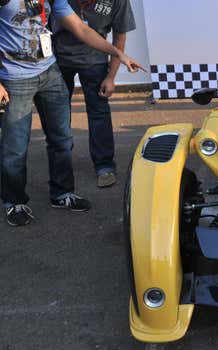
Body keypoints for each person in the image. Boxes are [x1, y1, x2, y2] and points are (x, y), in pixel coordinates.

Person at [0, 0, 144, 227]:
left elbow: (82, 29)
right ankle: (14, 202)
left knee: (62, 139)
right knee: (15, 147)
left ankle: (62, 193)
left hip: (50, 72)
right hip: (14, 79)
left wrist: (118, 54)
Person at [53, 0, 136, 188]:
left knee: (99, 112)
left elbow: (119, 36)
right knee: (57, 114)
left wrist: (111, 76)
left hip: (95, 60)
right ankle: (60, 164)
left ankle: (104, 166)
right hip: (58, 60)